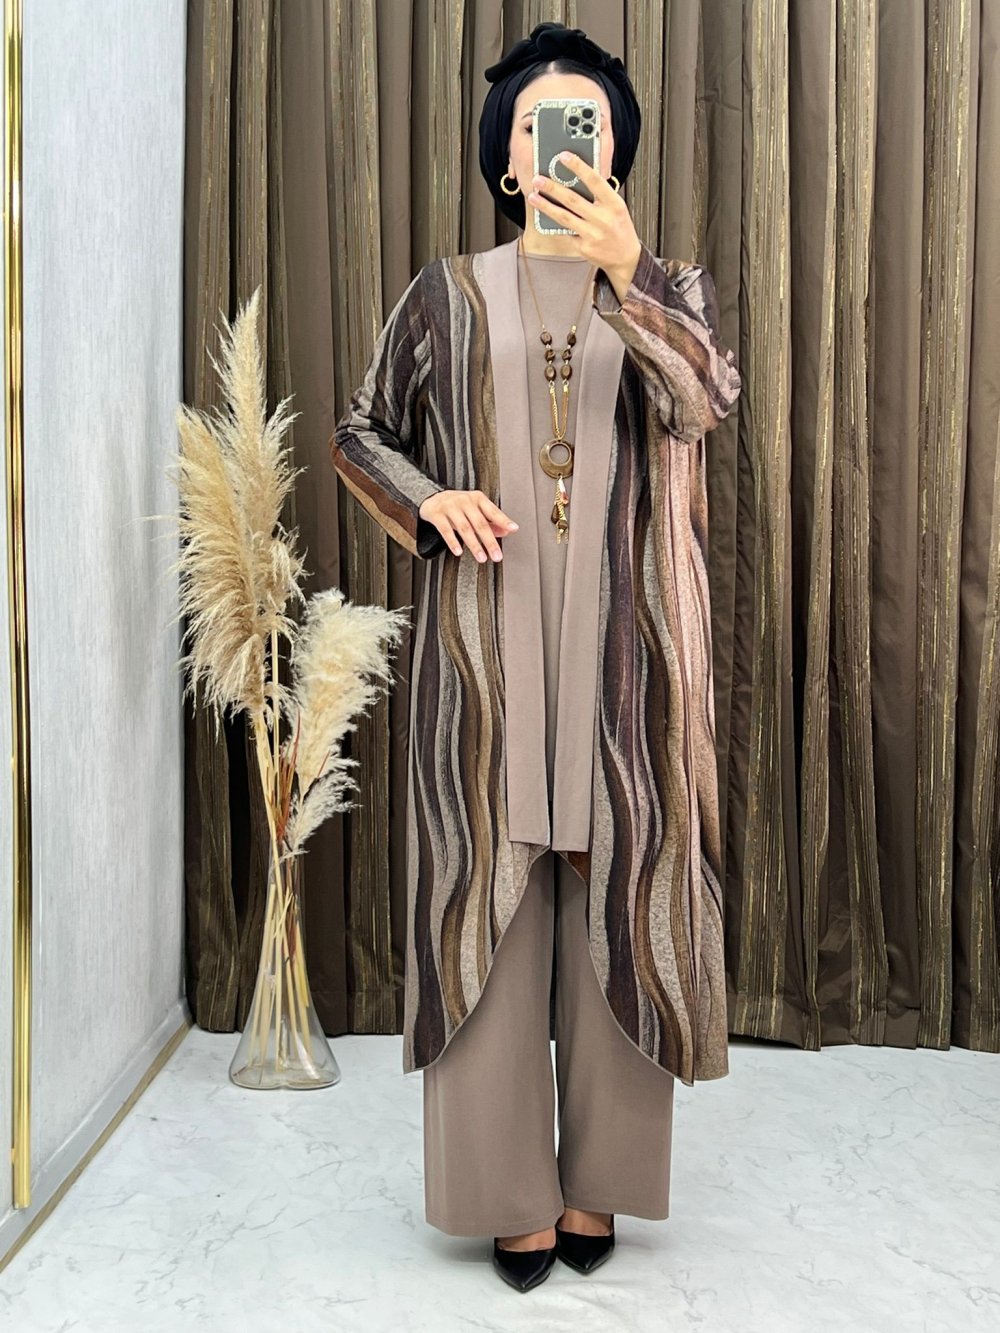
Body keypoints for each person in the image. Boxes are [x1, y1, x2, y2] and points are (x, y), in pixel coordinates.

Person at [330, 21, 741, 1294]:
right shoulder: (445, 294)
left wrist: (629, 274)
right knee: (489, 898)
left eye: (587, 121)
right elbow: (361, 431)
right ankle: (503, 1191)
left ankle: (595, 1182)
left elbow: (703, 402)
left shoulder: (671, 286)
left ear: (614, 150)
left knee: (621, 888)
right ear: (506, 157)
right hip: (488, 646)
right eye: (536, 122)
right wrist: (430, 497)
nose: (562, 139)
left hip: (632, 650)